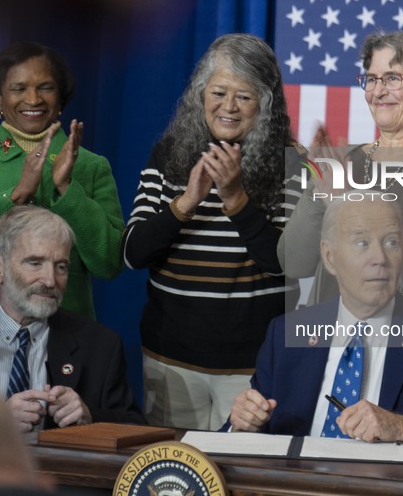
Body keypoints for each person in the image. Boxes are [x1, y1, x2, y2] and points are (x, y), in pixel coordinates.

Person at [230, 194, 403, 460]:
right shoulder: (286, 333)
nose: (380, 259)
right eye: (362, 243)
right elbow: (243, 432)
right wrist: (243, 423)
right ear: (329, 257)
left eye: (391, 242)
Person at [121, 34, 302, 430]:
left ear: (266, 105)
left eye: (245, 96)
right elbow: (133, 254)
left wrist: (236, 199)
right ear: (201, 95)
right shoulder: (169, 155)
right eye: (218, 92)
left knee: (243, 484)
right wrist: (185, 202)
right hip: (170, 361)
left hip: (252, 372)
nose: (228, 107)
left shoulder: (294, 165)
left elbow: (285, 264)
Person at [279, 31, 403, 316]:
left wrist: (346, 200)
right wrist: (320, 192)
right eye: (371, 79)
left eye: (393, 78)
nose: (378, 91)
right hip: (333, 343)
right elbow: (293, 262)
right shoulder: (343, 161)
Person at [0, 41, 124, 320]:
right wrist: (17, 197)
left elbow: (109, 262)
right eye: (18, 88)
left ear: (61, 98)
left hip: (69, 336)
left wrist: (67, 189)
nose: (33, 99)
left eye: (45, 87)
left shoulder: (91, 166)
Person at [0, 206, 144, 432]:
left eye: (61, 267)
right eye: (35, 263)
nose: (50, 280)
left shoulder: (99, 345)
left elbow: (137, 429)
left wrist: (90, 416)